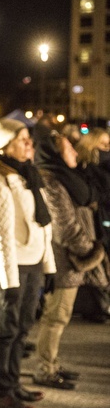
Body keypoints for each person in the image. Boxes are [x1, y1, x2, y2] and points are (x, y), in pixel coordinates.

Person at [0, 118, 56, 408]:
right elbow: (1, 234)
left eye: (29, 139)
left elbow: (42, 225)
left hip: (32, 260)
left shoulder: (26, 174)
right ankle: (1, 391)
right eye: (22, 140)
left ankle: (13, 383)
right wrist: (9, 281)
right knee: (6, 328)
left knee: (23, 326)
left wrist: (48, 266)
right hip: (8, 265)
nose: (29, 145)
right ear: (4, 146)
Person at [33, 130, 106, 390]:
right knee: (56, 316)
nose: (75, 151)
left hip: (72, 258)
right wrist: (89, 251)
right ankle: (45, 369)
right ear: (54, 153)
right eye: (68, 148)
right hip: (65, 259)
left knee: (60, 316)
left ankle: (52, 363)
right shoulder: (50, 180)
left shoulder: (64, 176)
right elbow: (65, 226)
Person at [74, 129, 110, 323]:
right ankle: (97, 306)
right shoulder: (89, 166)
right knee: (98, 263)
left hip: (102, 216)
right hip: (98, 220)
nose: (107, 148)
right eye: (103, 144)